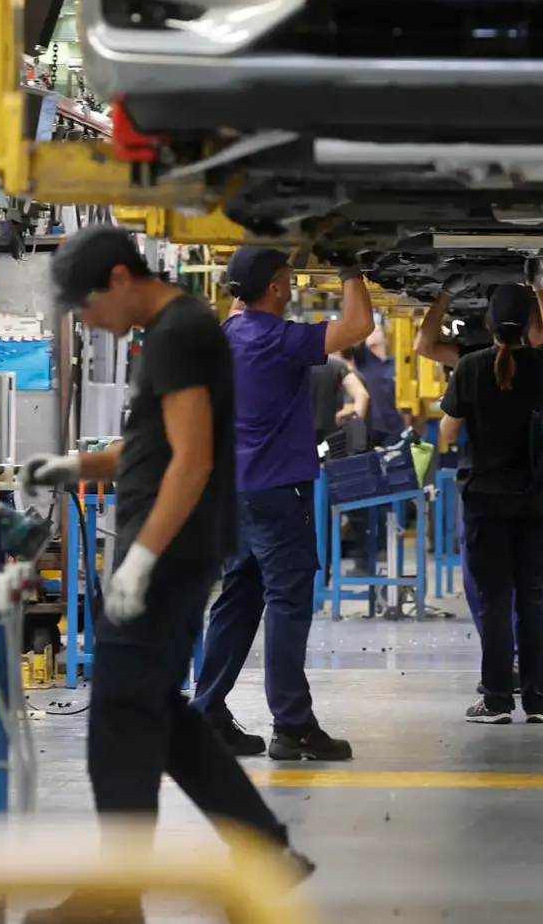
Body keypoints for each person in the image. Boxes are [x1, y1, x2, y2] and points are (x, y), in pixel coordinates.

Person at [21, 226, 311, 921]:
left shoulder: (181, 332)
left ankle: (117, 895)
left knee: (120, 719)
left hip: (169, 550)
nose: (89, 320)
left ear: (122, 278)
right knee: (161, 712)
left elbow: (194, 460)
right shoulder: (176, 329)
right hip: (176, 543)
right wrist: (78, 465)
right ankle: (265, 849)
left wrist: (144, 555)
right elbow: (158, 442)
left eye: (89, 304)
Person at [191, 245, 374, 761]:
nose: (293, 283)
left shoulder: (230, 333)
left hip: (234, 492)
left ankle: (206, 713)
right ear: (273, 287)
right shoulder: (280, 340)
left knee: (238, 599)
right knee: (288, 602)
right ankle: (293, 724)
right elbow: (358, 324)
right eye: (287, 277)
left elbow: (238, 308)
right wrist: (349, 266)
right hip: (277, 493)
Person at [438, 263, 543, 723]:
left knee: (495, 602)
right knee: (531, 598)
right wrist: (542, 285)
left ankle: (496, 700)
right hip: (535, 499)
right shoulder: (542, 362)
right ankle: (537, 701)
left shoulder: (472, 367)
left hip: (486, 501)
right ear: (528, 324)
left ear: (490, 324)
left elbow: (447, 434)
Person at [349, 326, 405, 447]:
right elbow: (354, 342)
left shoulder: (396, 364)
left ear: (385, 338)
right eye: (370, 330)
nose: (372, 333)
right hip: (369, 426)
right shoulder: (363, 359)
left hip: (393, 426)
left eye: (377, 331)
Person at [310, 353, 370, 455]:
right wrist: (353, 429)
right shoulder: (336, 364)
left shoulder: (283, 368)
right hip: (333, 445)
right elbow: (362, 395)